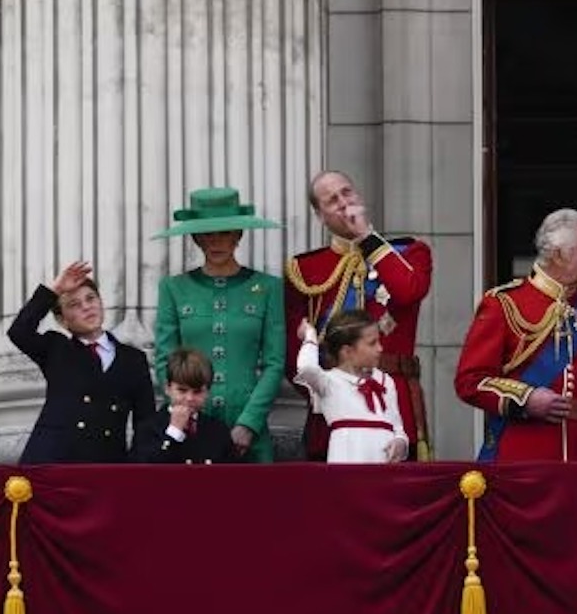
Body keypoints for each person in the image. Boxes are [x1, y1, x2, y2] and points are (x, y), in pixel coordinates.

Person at [454, 208, 577, 462]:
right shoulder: (504, 304)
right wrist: (526, 399)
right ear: (558, 254)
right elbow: (469, 381)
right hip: (522, 460)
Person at [284, 171, 433, 461]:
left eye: (347, 193)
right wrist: (330, 395)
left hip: (392, 403)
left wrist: (367, 237)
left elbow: (407, 293)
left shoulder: (409, 252)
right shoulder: (305, 269)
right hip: (332, 414)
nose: (343, 202)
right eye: (331, 200)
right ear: (320, 215)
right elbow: (292, 351)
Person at [152, 187, 286, 463]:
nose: (216, 242)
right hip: (193, 422)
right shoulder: (173, 288)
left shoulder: (268, 288)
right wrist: (185, 415)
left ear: (238, 234)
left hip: (249, 423)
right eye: (207, 234)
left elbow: (275, 363)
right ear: (196, 238)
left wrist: (249, 422)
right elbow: (165, 359)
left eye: (224, 233)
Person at [7, 261, 156, 463]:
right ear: (62, 320)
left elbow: (145, 422)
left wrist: (135, 469)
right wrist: (55, 290)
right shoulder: (56, 348)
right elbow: (19, 331)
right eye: (74, 305)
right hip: (53, 461)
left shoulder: (133, 359)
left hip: (106, 464)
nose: (87, 307)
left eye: (91, 299)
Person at [293, 311, 409, 464]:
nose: (380, 348)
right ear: (347, 351)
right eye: (372, 343)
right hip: (347, 469)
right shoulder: (329, 382)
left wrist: (400, 442)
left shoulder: (385, 381)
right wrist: (310, 336)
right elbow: (306, 369)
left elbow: (398, 428)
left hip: (383, 470)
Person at [130, 347, 236, 464]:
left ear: (207, 392)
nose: (189, 398)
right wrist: (174, 433)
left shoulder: (218, 431)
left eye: (197, 392)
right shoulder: (148, 429)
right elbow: (145, 474)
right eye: (182, 390)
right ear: (168, 388)